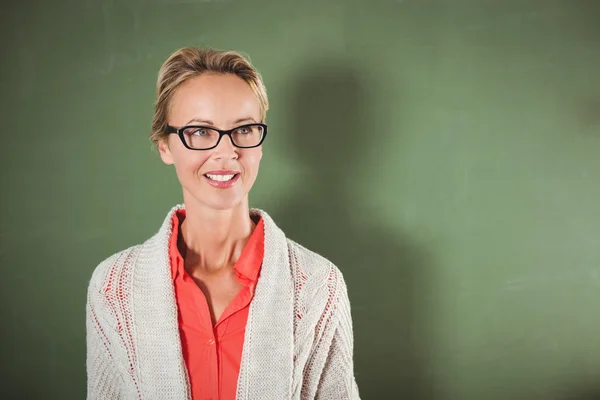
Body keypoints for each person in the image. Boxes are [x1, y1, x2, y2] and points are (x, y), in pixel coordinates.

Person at [85, 46, 360, 400]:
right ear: (165, 146)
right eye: (200, 132)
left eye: (244, 129)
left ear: (260, 142)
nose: (226, 152)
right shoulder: (112, 288)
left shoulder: (320, 286)